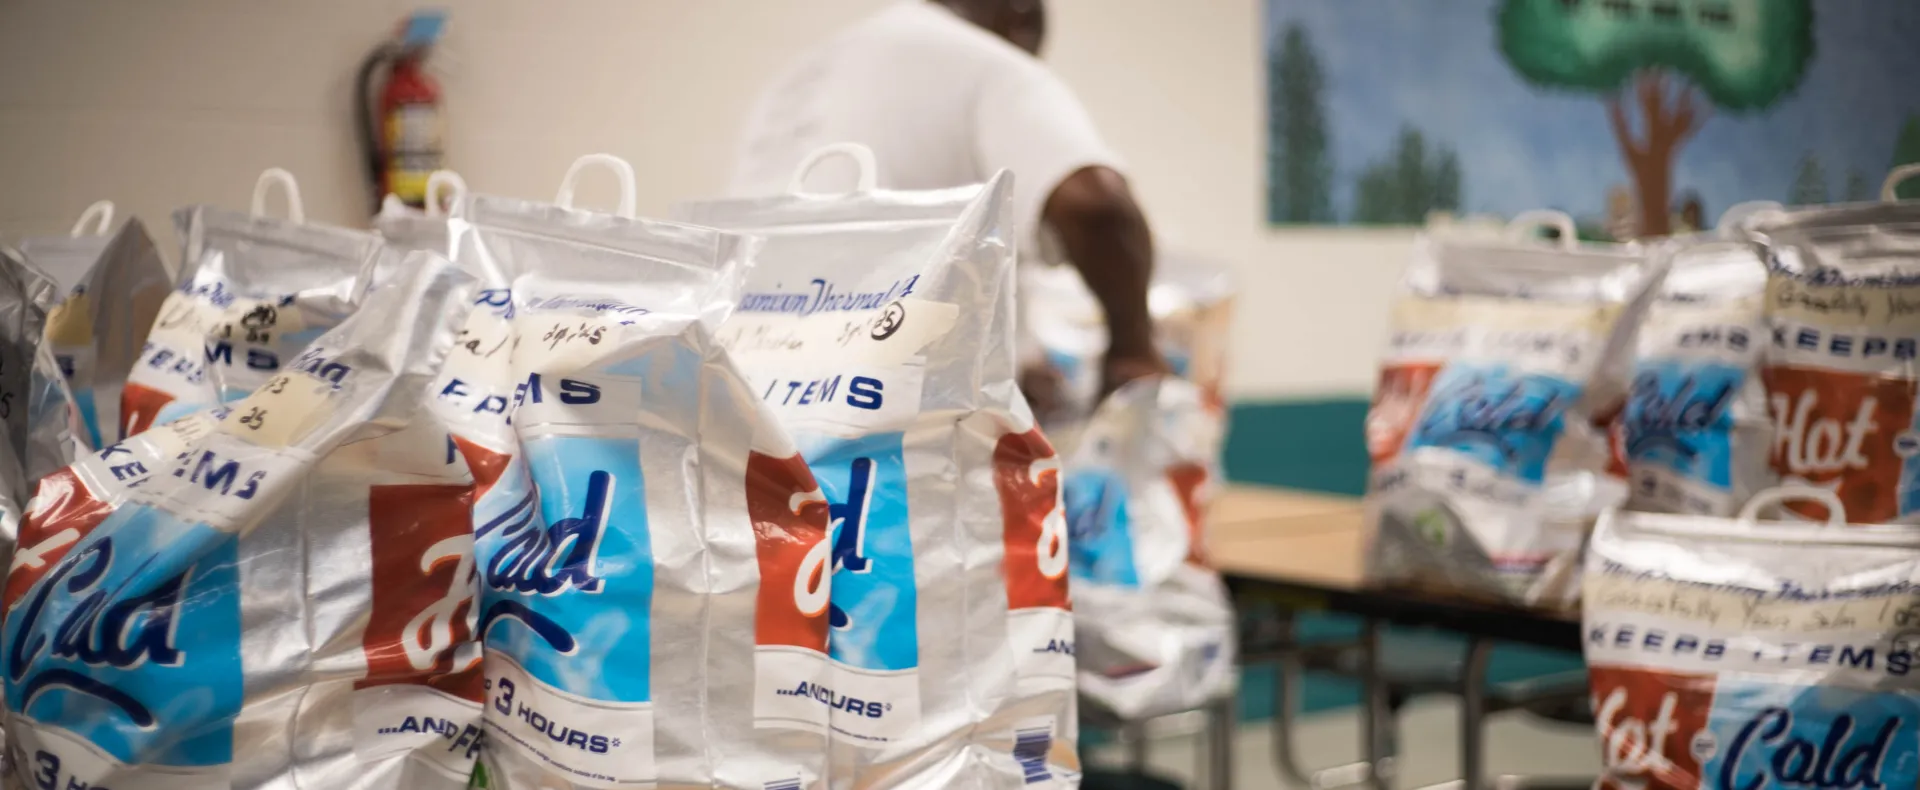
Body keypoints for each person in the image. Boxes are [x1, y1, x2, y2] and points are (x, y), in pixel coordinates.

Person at [730, 0, 1167, 412]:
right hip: (883, 410)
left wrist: (1014, 365)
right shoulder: (992, 63)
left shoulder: (800, 76)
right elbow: (1097, 207)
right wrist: (1134, 348)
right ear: (1022, 17)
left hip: (751, 390)